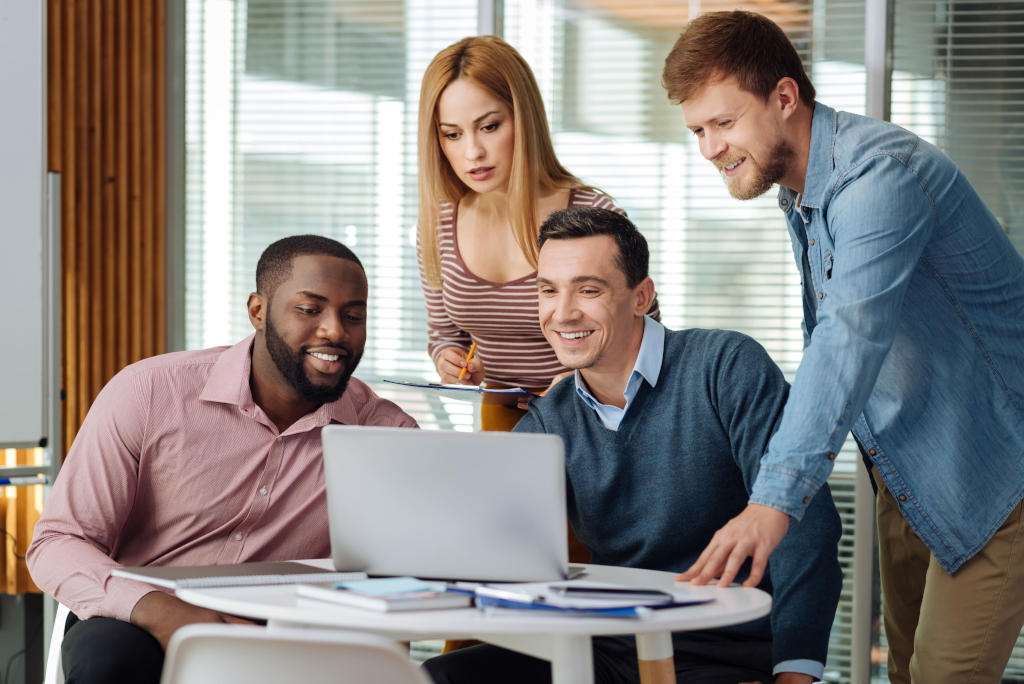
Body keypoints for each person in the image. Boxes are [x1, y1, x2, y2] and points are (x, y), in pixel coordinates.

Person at [661, 11, 1024, 683]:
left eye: (724, 123)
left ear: (784, 97)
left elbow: (847, 340)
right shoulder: (803, 192)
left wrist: (773, 500)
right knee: (909, 672)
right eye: (698, 131)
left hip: (999, 474)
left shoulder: (879, 176)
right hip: (913, 474)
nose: (709, 148)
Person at [423, 207, 842, 684]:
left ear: (641, 296)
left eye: (588, 289)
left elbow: (807, 524)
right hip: (606, 651)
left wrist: (795, 671)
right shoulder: (550, 418)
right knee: (438, 677)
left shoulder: (725, 367)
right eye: (548, 290)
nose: (563, 313)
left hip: (728, 655)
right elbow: (488, 537)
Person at [27, 235, 417, 684]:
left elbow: (404, 571)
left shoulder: (387, 435)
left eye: (353, 316)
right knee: (110, 662)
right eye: (310, 310)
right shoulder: (150, 392)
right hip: (141, 617)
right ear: (257, 311)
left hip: (288, 630)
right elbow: (57, 541)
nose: (335, 331)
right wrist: (160, 610)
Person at [417, 35, 656, 431]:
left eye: (489, 126)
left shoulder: (594, 214)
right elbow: (445, 335)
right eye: (452, 134)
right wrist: (450, 361)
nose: (472, 152)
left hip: (596, 418)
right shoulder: (441, 221)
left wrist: (582, 380)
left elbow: (644, 339)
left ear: (523, 118)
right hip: (502, 418)